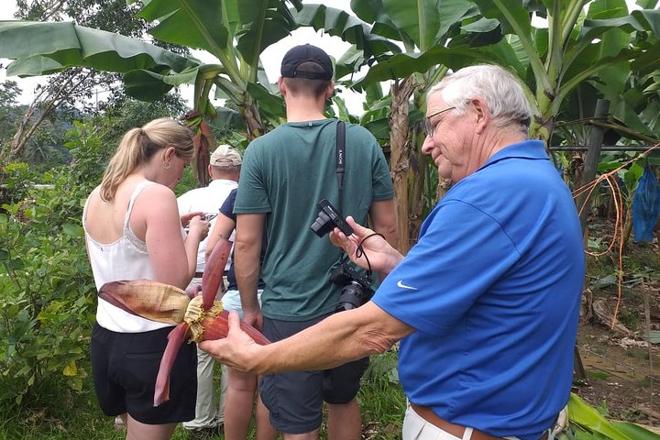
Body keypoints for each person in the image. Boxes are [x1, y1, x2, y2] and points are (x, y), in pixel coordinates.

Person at [201, 64, 585, 440]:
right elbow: (491, 293)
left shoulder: (488, 197)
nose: (426, 143)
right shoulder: (537, 179)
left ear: (480, 113)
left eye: (435, 124)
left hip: (467, 423)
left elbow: (373, 330)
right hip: (504, 416)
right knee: (342, 399)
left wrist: (258, 358)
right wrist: (397, 264)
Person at [231, 44, 397, 440]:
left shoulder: (261, 152)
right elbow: (387, 230)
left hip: (288, 308)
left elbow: (247, 243)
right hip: (353, 303)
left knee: (296, 422)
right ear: (331, 88)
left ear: (281, 86)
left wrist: (252, 306)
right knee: (343, 400)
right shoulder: (362, 142)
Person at [83, 118, 209, 440]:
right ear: (168, 155)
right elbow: (175, 281)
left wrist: (173, 227)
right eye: (182, 165)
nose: (181, 176)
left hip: (107, 339)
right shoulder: (157, 196)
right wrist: (193, 234)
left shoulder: (99, 194)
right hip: (151, 344)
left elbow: (117, 262)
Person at [177, 144, 242, 439]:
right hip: (233, 281)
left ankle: (200, 420)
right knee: (232, 349)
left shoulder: (191, 197)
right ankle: (231, 418)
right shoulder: (248, 194)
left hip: (194, 281)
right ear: (239, 171)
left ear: (211, 169)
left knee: (200, 350)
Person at [205, 188, 275, 440]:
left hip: (238, 295)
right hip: (278, 295)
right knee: (270, 380)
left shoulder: (241, 193)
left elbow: (213, 247)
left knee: (239, 383)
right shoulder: (290, 188)